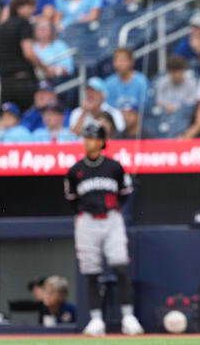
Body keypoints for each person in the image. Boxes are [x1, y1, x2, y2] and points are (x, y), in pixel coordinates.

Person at [64, 123, 143, 337]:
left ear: (101, 142)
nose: (87, 142)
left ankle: (128, 317)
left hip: (111, 219)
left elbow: (125, 193)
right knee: (91, 273)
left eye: (91, 138)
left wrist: (111, 208)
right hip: (86, 221)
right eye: (85, 138)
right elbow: (71, 200)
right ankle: (96, 320)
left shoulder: (114, 167)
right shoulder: (75, 171)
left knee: (120, 267)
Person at [0, 0, 51, 112]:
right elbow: (28, 52)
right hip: (23, 82)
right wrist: (45, 69)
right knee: (28, 119)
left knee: (9, 123)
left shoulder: (0, 29)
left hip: (5, 84)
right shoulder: (24, 24)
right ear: (20, 7)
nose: (34, 10)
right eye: (31, 6)